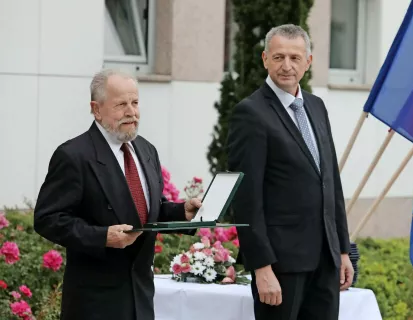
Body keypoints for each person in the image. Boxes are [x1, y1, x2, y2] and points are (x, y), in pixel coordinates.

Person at [33, 69, 202, 320]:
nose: (131, 112)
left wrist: (181, 211)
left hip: (141, 298)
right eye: (121, 104)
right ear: (96, 109)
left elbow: (145, 210)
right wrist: (102, 237)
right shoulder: (74, 155)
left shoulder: (146, 149)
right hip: (95, 303)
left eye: (135, 103)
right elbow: (48, 219)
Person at [227, 24, 354, 320]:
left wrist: (343, 251)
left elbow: (330, 182)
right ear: (265, 59)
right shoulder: (251, 113)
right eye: (279, 57)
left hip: (325, 261)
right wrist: (261, 267)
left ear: (308, 62)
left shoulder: (316, 106)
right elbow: (246, 199)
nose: (287, 66)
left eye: (295, 58)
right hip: (281, 266)